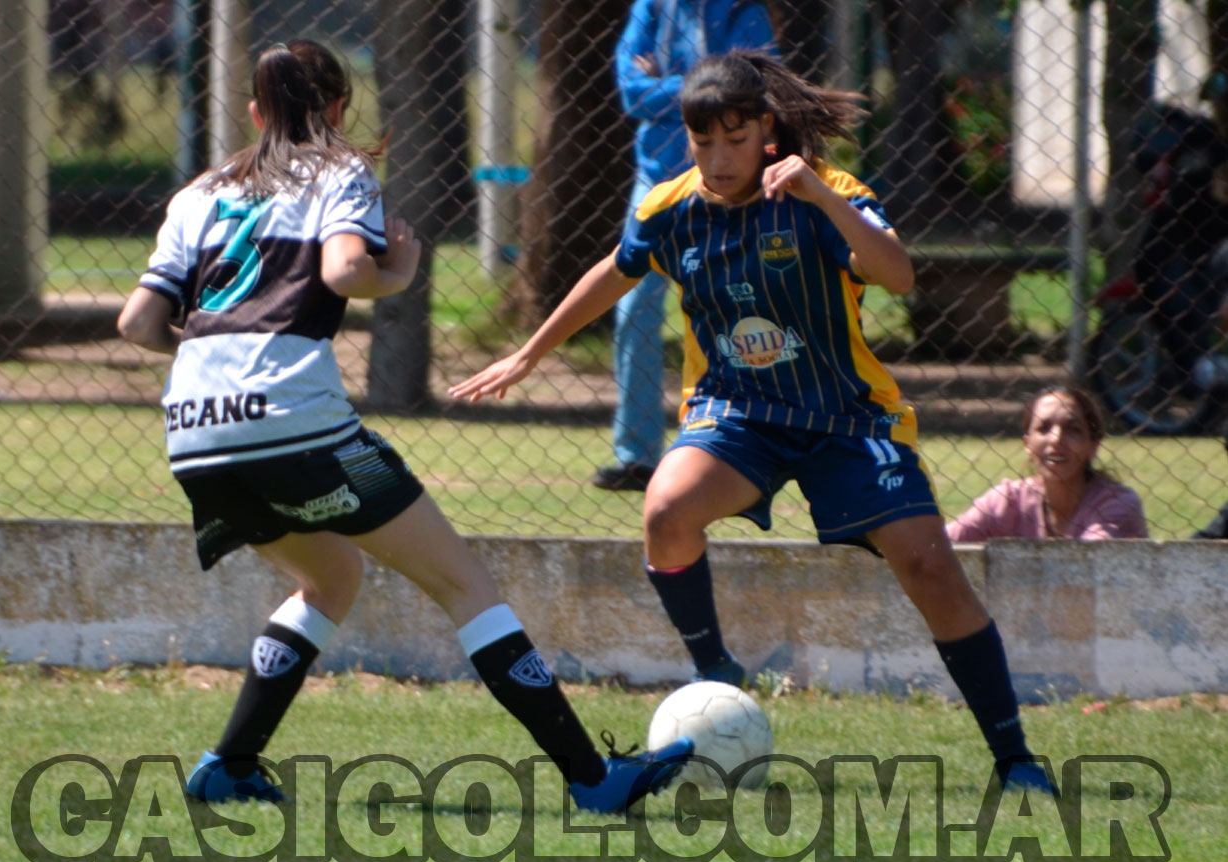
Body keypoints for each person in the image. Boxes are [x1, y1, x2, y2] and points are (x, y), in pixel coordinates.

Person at [452, 51, 1057, 793]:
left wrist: (820, 195)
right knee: (666, 511)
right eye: (702, 141)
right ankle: (716, 672)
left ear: (767, 130)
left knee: (930, 567)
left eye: (735, 140)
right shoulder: (670, 208)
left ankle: (1013, 757)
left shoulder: (826, 192)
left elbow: (898, 274)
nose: (717, 158)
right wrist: (529, 352)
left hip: (847, 416)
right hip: (737, 412)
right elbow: (616, 269)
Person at [116, 39, 690, 813]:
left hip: (193, 432)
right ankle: (592, 781)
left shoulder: (200, 192)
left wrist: (215, 352)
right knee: (464, 585)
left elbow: (137, 322)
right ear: (338, 109)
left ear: (255, 113)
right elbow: (344, 271)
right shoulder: (341, 169)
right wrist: (403, 271)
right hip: (291, 422)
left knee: (331, 578)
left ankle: (230, 765)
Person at [594, 0, 777, 492]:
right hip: (657, 179)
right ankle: (636, 456)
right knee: (634, 308)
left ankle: (748, 442)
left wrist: (669, 85)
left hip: (732, 186)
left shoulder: (742, 10)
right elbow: (632, 95)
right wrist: (703, 90)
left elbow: (756, 94)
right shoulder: (652, 8)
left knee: (744, 306)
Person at [947, 386, 1148, 542]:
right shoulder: (1007, 501)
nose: (1056, 439)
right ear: (1027, 444)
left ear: (1093, 447)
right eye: (1044, 428)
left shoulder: (1117, 504)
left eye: (1073, 429)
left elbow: (1083, 567)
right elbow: (941, 546)